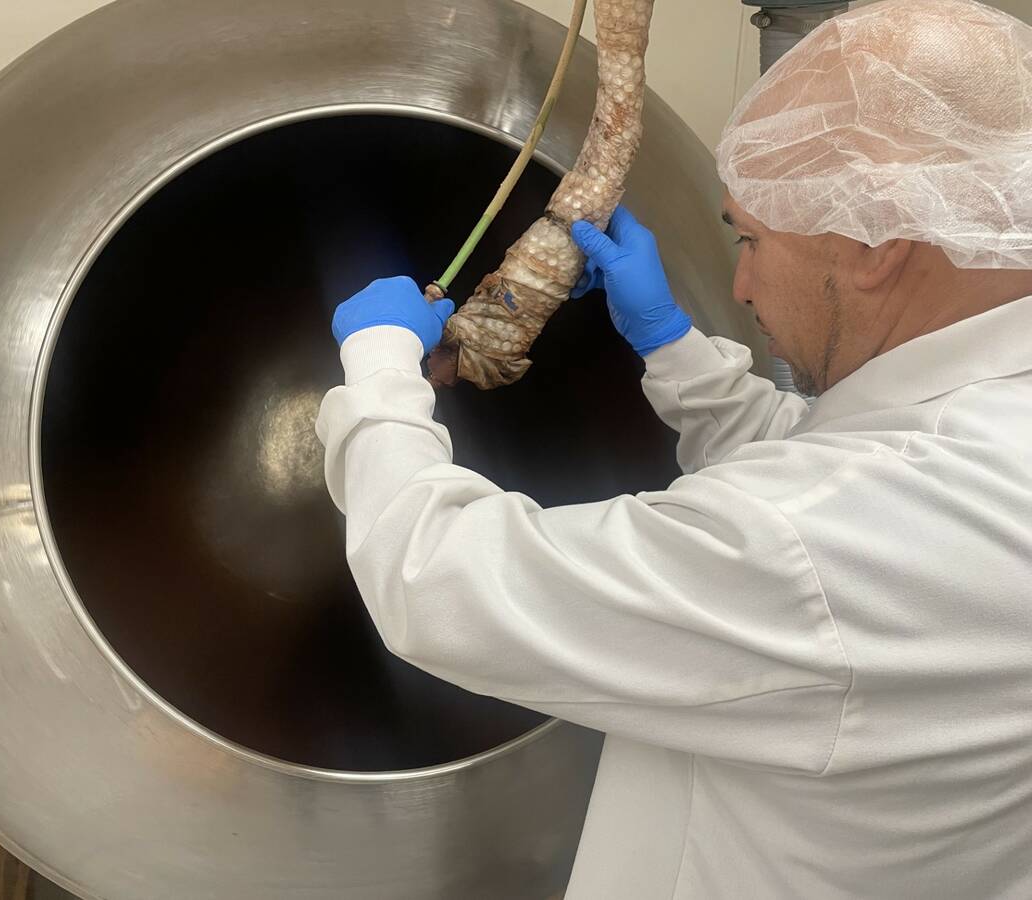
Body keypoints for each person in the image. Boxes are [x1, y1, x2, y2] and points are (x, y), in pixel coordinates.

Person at [315, 0, 1032, 896]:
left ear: (876, 246)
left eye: (749, 237)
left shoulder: (831, 541)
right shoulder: (986, 434)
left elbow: (440, 581)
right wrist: (670, 346)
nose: (738, 278)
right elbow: (828, 465)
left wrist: (378, 367)